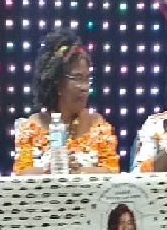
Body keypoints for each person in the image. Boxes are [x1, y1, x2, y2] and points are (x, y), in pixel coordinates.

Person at [14, 30, 119, 175]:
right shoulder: (32, 126)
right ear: (57, 82)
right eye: (77, 78)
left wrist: (77, 172)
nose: (85, 87)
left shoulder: (97, 124)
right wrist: (49, 171)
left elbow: (111, 171)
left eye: (87, 79)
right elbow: (21, 174)